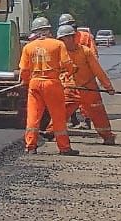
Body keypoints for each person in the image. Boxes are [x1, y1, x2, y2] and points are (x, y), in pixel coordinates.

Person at [21, 16, 78, 155]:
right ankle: (64, 148)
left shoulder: (28, 47)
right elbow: (67, 64)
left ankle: (30, 146)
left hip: (35, 84)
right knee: (58, 116)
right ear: (48, 30)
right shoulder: (57, 44)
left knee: (33, 116)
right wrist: (70, 72)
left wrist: (26, 81)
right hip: (52, 83)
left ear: (35, 32)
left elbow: (24, 70)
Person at [59, 22, 116, 145]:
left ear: (73, 37)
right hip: (70, 88)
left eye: (68, 38)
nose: (65, 42)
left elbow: (98, 71)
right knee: (60, 112)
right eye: (62, 39)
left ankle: (108, 136)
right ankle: (50, 132)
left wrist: (108, 86)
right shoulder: (60, 53)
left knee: (98, 114)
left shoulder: (85, 52)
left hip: (89, 89)